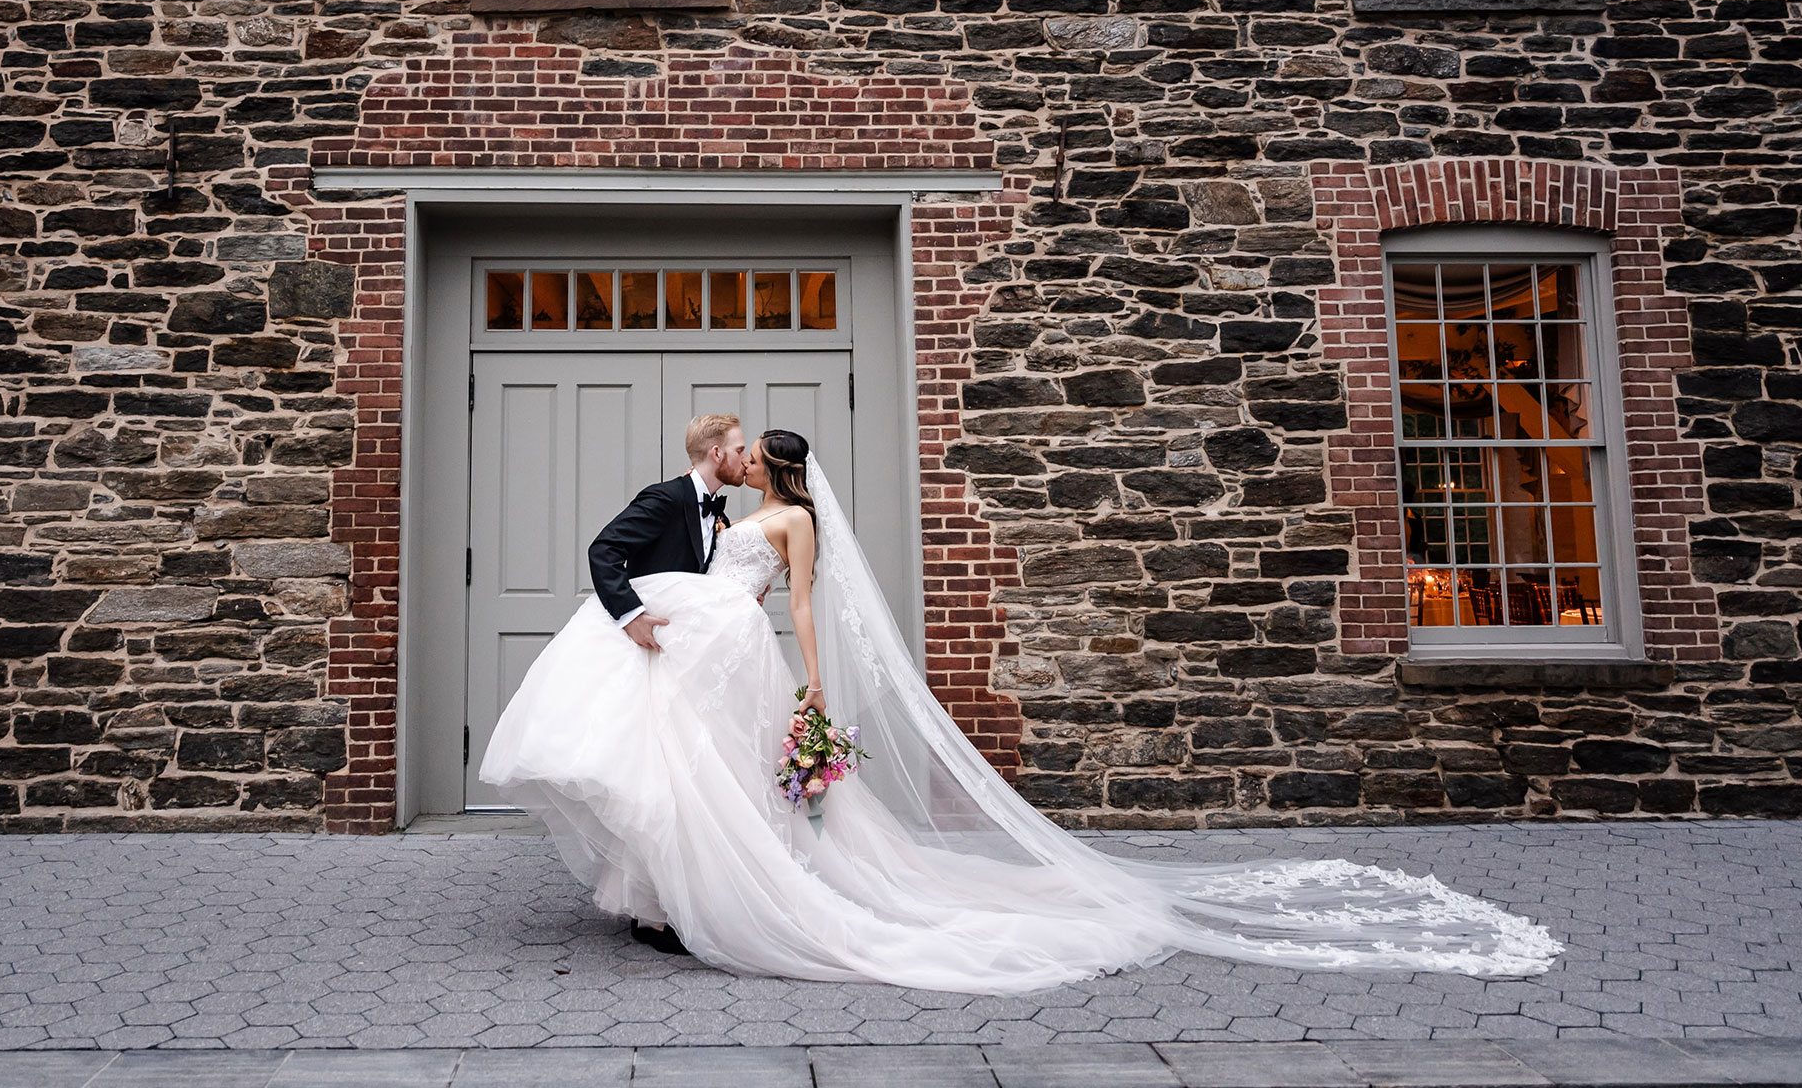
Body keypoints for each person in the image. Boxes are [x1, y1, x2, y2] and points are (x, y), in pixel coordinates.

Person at [481, 423, 1562, 993]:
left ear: (780, 474)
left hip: (736, 650)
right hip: (699, 645)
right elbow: (676, 565)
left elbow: (802, 611)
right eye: (745, 451)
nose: (746, 458)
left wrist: (812, 686)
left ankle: (696, 901)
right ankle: (661, 894)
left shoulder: (792, 528)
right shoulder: (714, 515)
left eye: (760, 454)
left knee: (708, 777)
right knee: (677, 771)